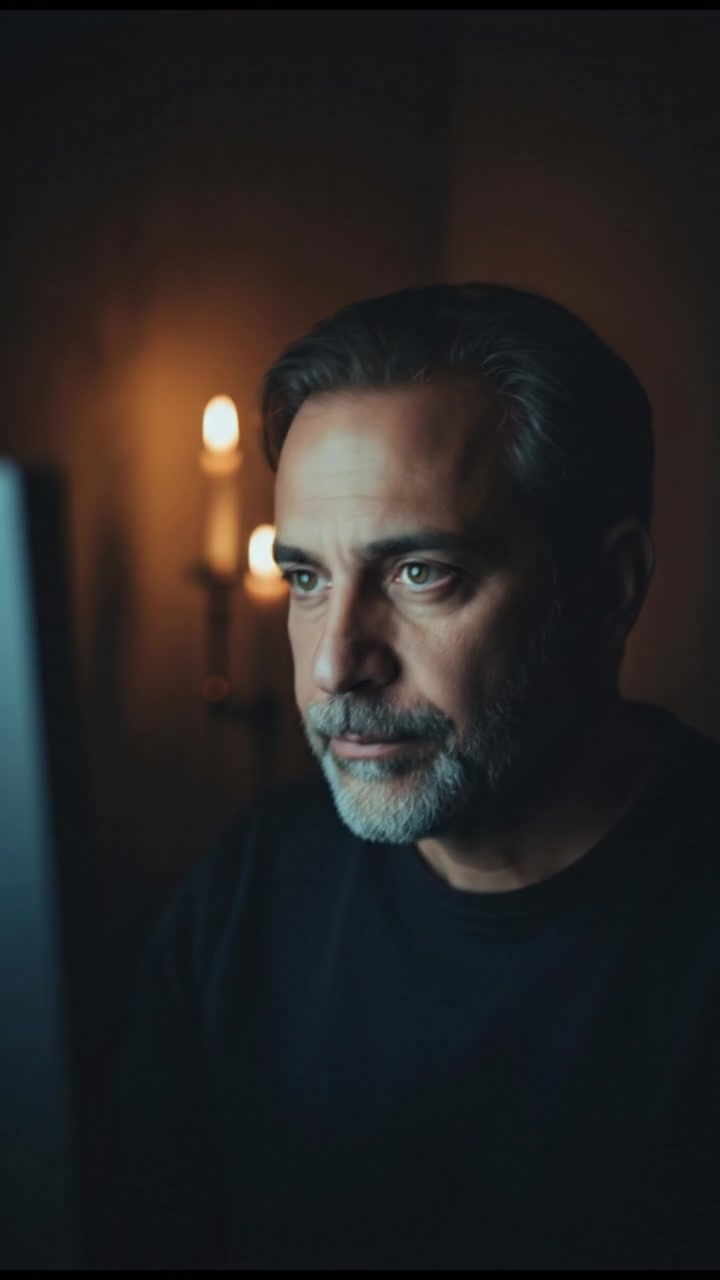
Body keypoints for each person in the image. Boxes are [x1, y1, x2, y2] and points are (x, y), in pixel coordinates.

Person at [115, 284, 720, 1269]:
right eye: (306, 577)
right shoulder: (252, 887)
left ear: (610, 589)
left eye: (419, 574)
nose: (333, 663)